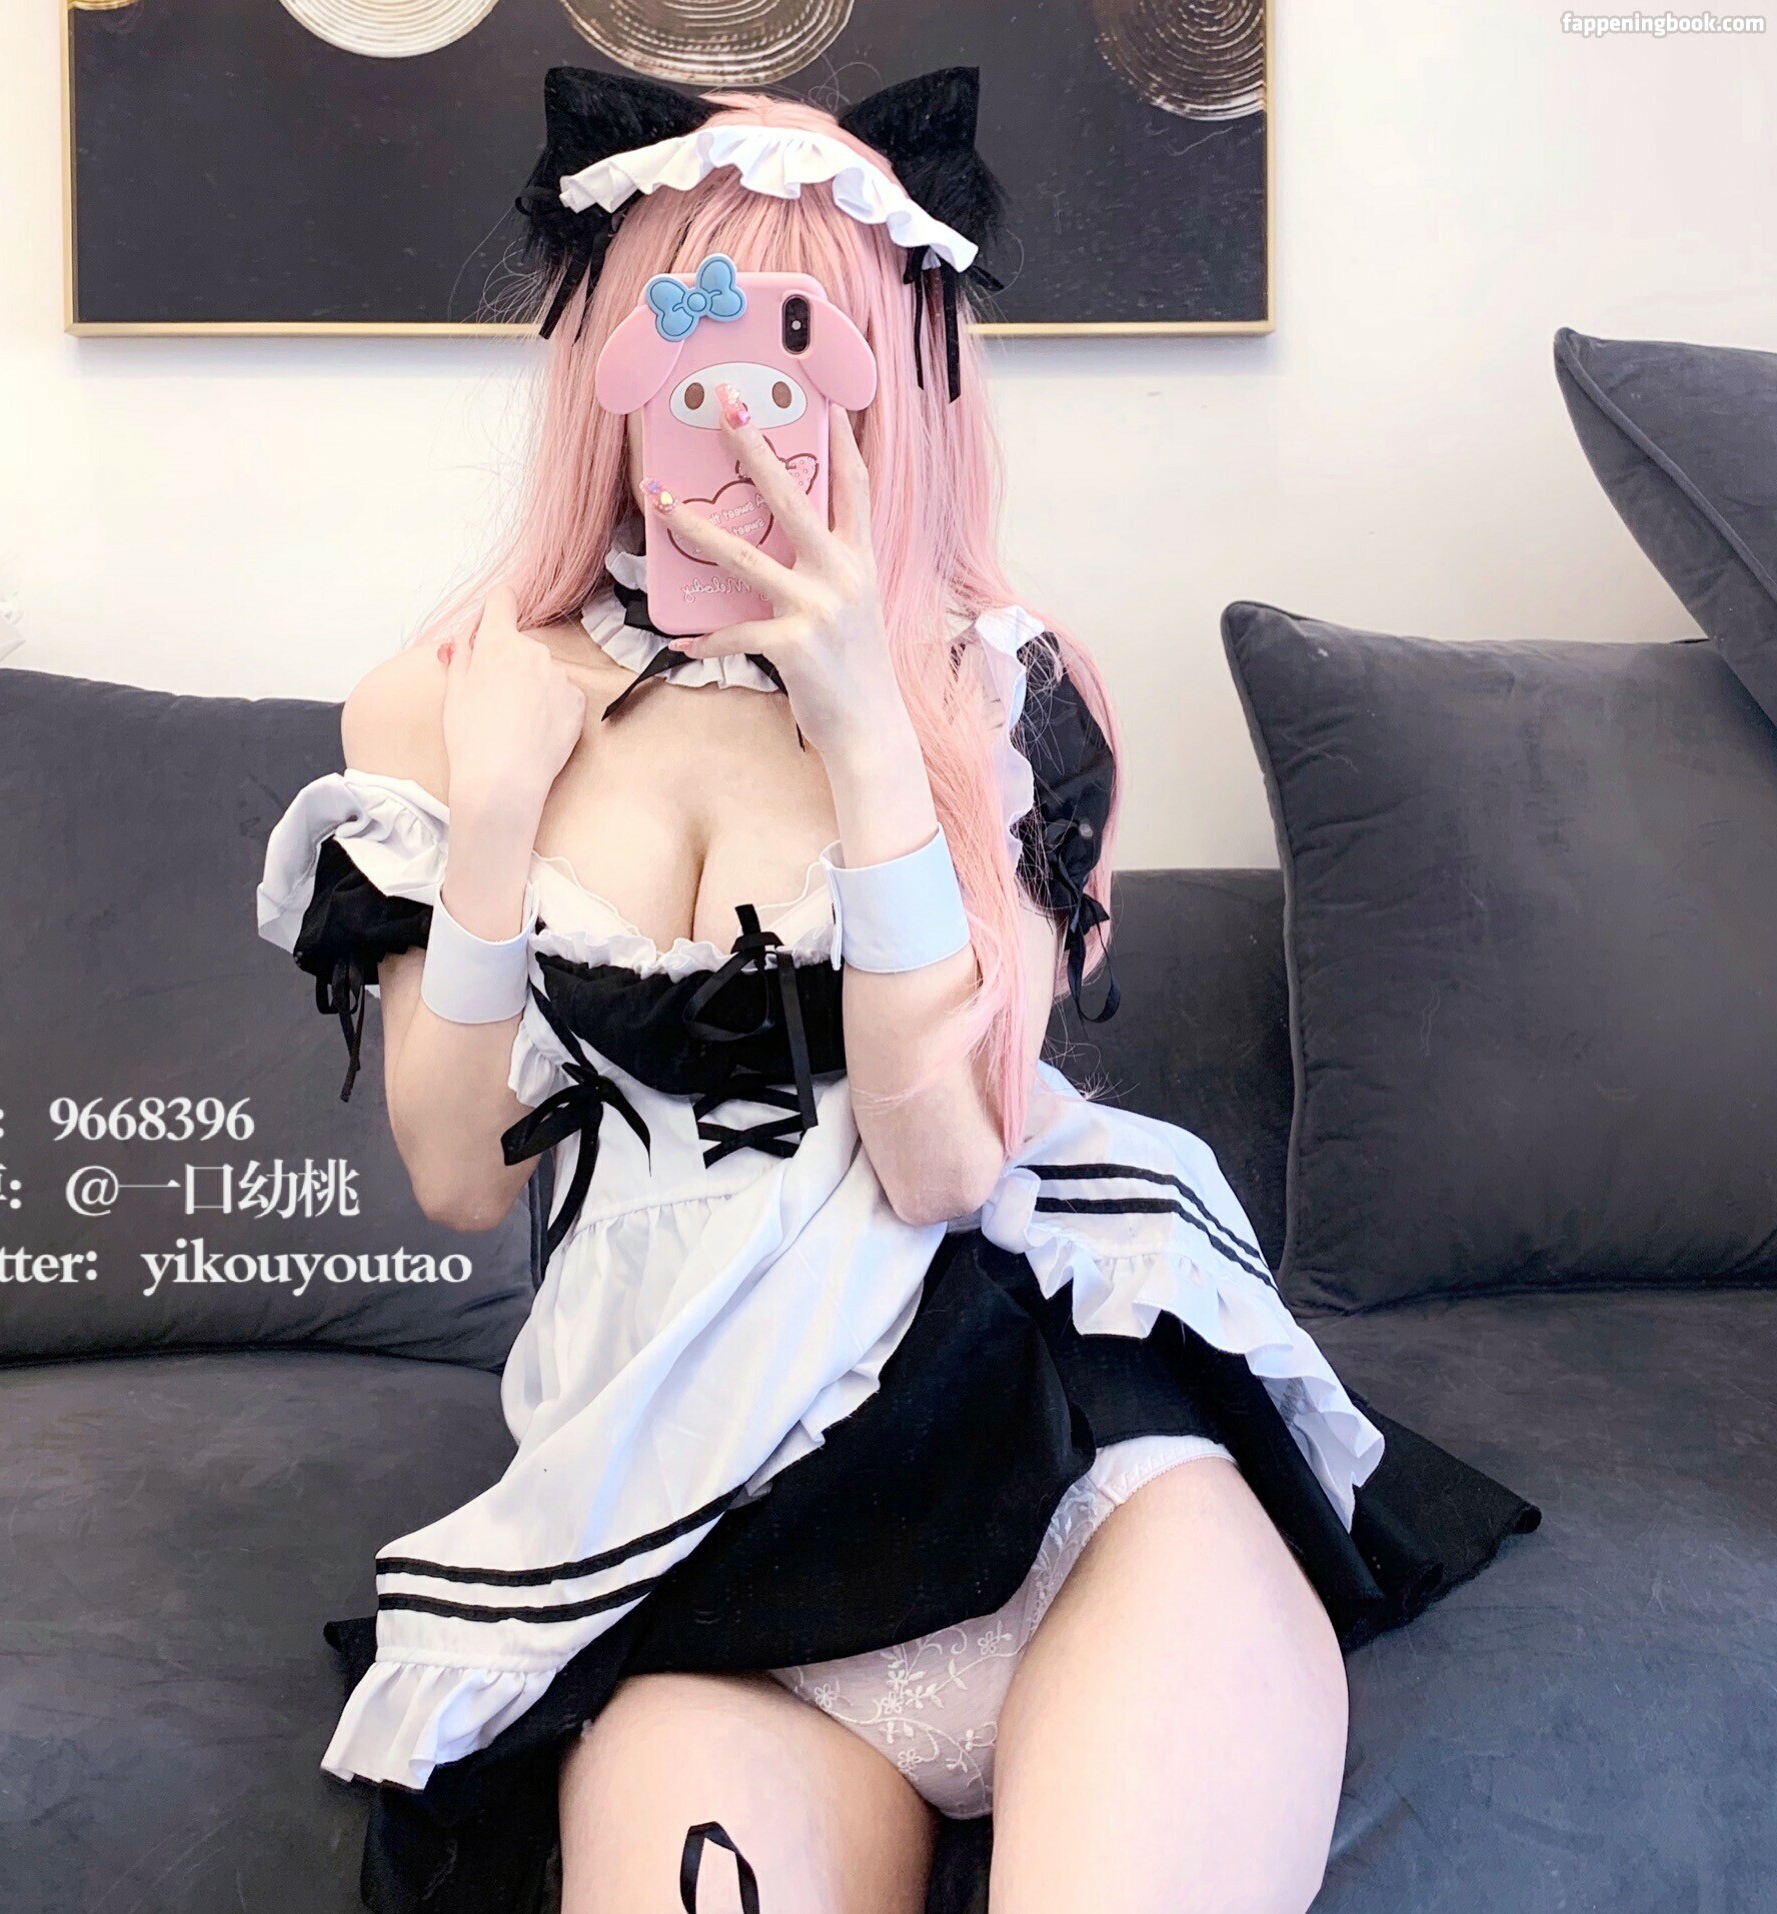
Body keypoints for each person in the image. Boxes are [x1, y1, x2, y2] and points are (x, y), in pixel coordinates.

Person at [255, 67, 1539, 1914]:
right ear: (611, 369)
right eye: (690, 351)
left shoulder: (998, 689)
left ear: (895, 383)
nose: (740, 417)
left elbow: (941, 1161)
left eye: (800, 354)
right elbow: (459, 1173)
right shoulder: (441, 698)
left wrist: (870, 724)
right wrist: (503, 810)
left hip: (1070, 1469)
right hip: (683, 1537)